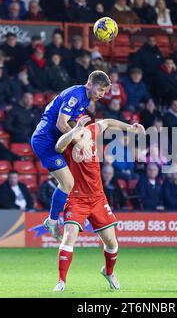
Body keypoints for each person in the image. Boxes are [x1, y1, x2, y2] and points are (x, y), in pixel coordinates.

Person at [52, 116, 144, 291]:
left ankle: (108, 272)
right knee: (69, 235)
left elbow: (109, 122)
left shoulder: (92, 131)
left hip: (97, 198)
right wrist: (74, 130)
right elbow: (58, 146)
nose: (82, 131)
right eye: (77, 128)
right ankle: (61, 281)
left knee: (111, 242)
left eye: (82, 127)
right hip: (76, 199)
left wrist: (130, 128)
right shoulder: (68, 141)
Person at [31, 71, 111, 241]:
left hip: (56, 141)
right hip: (45, 140)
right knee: (67, 183)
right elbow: (61, 123)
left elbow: (72, 123)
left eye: (104, 91)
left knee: (70, 181)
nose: (102, 95)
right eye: (100, 90)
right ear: (89, 84)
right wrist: (79, 142)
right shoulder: (75, 95)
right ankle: (52, 221)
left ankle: (60, 219)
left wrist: (80, 135)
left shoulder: (85, 99)